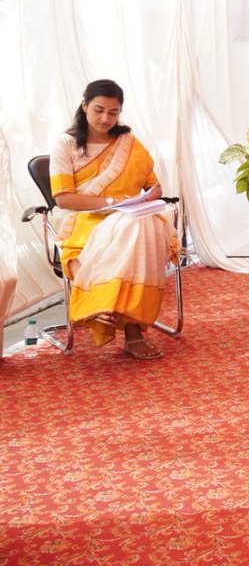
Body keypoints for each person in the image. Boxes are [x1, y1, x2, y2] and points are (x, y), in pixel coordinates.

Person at [49, 79, 178, 360]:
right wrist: (112, 203)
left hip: (131, 218)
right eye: (98, 110)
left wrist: (147, 196)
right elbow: (63, 199)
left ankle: (107, 307)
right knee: (137, 229)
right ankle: (132, 333)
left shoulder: (128, 141)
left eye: (113, 112)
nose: (105, 118)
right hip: (85, 221)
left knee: (139, 225)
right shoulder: (66, 144)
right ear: (84, 105)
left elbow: (152, 186)